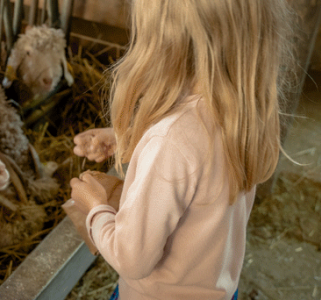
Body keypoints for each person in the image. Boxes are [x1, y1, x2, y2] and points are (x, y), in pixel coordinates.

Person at [65, 0, 296, 299]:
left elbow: (132, 258)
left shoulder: (170, 141)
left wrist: (95, 207)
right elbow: (198, 164)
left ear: (167, 40)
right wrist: (132, 139)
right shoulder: (245, 112)